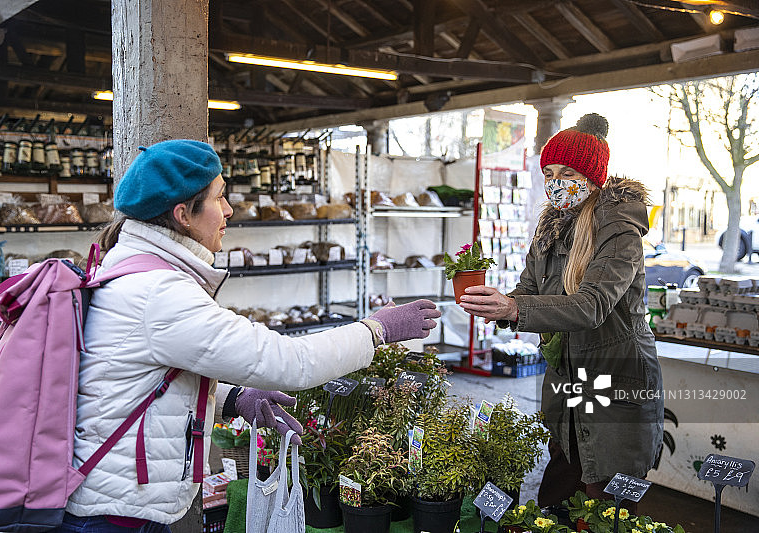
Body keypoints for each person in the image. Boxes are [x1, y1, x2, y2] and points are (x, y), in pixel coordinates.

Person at [56, 139, 441, 532]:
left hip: (113, 501)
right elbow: (290, 362)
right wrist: (376, 330)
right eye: (219, 197)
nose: (228, 210)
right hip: (113, 516)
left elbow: (140, 379)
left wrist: (234, 399)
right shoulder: (159, 292)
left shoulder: (130, 272)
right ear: (183, 214)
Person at [459, 114, 663, 510]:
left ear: (591, 175)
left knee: (605, 502)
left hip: (614, 379)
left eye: (566, 171)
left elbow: (592, 305)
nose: (555, 181)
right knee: (556, 495)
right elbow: (530, 290)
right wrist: (497, 305)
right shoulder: (551, 226)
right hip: (568, 381)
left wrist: (517, 308)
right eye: (549, 171)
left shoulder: (619, 229)